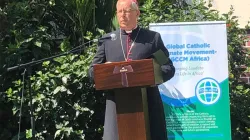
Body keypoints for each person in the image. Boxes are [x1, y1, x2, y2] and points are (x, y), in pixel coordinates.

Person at [88, 0, 175, 140]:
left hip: (148, 102)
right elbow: (92, 72)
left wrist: (152, 77)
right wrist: (105, 70)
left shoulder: (152, 39)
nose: (122, 15)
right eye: (119, 11)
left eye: (127, 11)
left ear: (137, 13)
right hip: (116, 105)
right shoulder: (108, 41)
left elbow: (168, 67)